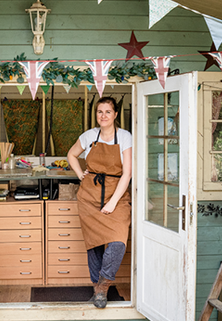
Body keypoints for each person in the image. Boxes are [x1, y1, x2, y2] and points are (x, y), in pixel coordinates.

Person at [67, 96, 132, 309]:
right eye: (99, 112)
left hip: (117, 196)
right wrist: (80, 175)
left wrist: (113, 203)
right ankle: (98, 290)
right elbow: (71, 155)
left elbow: (127, 173)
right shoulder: (89, 136)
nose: (103, 116)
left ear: (115, 115)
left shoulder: (124, 137)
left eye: (107, 112)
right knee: (94, 244)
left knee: (117, 241)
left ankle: (104, 286)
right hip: (89, 197)